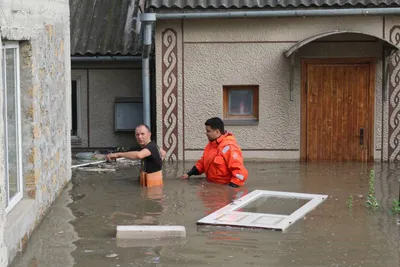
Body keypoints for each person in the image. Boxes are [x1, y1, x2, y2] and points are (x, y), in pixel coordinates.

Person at [179, 117, 248, 187]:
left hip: (223, 189)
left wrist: (230, 189)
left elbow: (240, 172)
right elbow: (202, 163)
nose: (206, 133)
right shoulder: (211, 145)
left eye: (208, 131)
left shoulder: (229, 147)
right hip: (212, 185)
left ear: (217, 132)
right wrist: (189, 174)